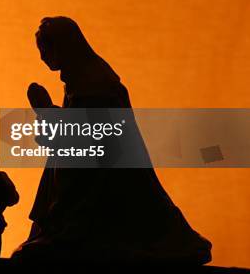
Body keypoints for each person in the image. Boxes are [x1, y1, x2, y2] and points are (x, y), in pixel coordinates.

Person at [12, 16, 212, 265]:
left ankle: (67, 234)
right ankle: (53, 230)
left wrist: (51, 118)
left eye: (46, 50)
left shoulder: (93, 83)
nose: (43, 57)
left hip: (104, 173)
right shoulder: (80, 76)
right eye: (41, 51)